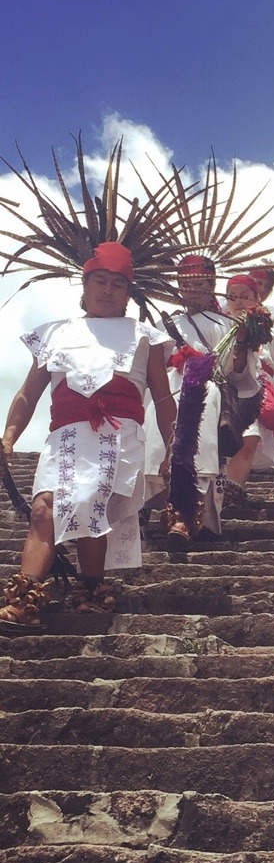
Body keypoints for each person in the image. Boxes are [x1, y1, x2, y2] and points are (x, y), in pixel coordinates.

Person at [0, 242, 176, 632]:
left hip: (118, 436)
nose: (108, 290)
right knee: (45, 508)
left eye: (118, 284)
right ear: (85, 285)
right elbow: (29, 392)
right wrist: (9, 435)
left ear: (128, 293)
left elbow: (163, 400)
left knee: (88, 505)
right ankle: (24, 600)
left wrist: (175, 448)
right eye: (100, 281)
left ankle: (91, 588)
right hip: (63, 435)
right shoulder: (55, 333)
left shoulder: (145, 337)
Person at [159, 253, 231, 540]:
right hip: (169, 386)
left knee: (205, 403)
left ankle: (189, 511)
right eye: (187, 285)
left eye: (201, 284)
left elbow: (228, 370)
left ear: (212, 284)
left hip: (206, 387)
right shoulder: (164, 324)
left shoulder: (224, 325)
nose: (194, 291)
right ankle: (152, 506)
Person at [220, 274, 274, 511]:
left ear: (257, 299)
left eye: (245, 296)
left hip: (256, 389)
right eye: (233, 297)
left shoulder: (270, 330)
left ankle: (232, 495)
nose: (239, 302)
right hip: (224, 388)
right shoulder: (219, 323)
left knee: (249, 438)